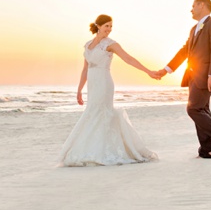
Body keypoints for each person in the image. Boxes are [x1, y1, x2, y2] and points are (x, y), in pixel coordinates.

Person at [58, 14, 159, 166]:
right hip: (93, 83)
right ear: (98, 26)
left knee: (102, 112)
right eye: (106, 26)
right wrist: (79, 90)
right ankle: (91, 149)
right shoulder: (87, 45)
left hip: (104, 83)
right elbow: (85, 69)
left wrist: (148, 71)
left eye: (111, 26)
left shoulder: (111, 44)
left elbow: (128, 59)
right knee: (92, 112)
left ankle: (104, 151)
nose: (109, 29)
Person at [154, 0, 211, 159]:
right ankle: (206, 150)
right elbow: (185, 51)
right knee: (202, 110)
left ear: (202, 5)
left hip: (206, 75)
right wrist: (166, 70)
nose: (191, 9)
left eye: (193, 6)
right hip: (193, 75)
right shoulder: (194, 29)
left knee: (193, 109)